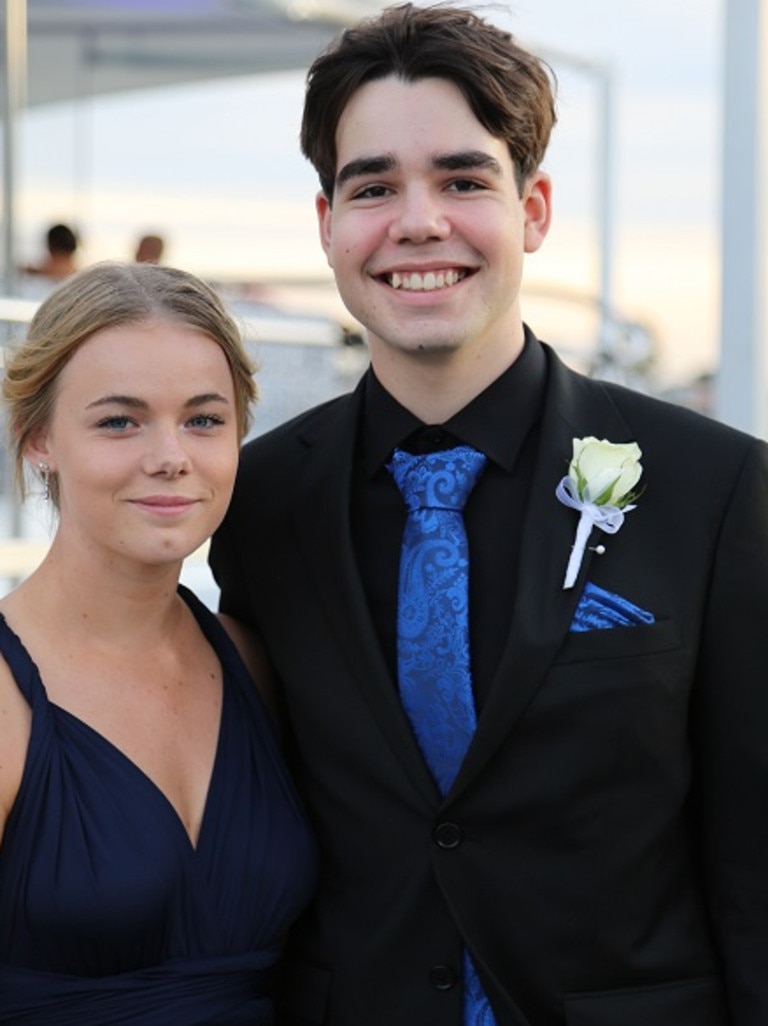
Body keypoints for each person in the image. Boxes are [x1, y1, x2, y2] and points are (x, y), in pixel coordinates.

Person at [209, 4, 768, 1025]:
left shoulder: (718, 490)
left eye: (463, 180)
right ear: (327, 224)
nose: (418, 222)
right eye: (373, 186)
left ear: (536, 210)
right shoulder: (259, 502)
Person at [0, 262, 317, 1024]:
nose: (171, 454)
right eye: (120, 420)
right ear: (40, 437)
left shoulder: (249, 659)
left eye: (204, 419)